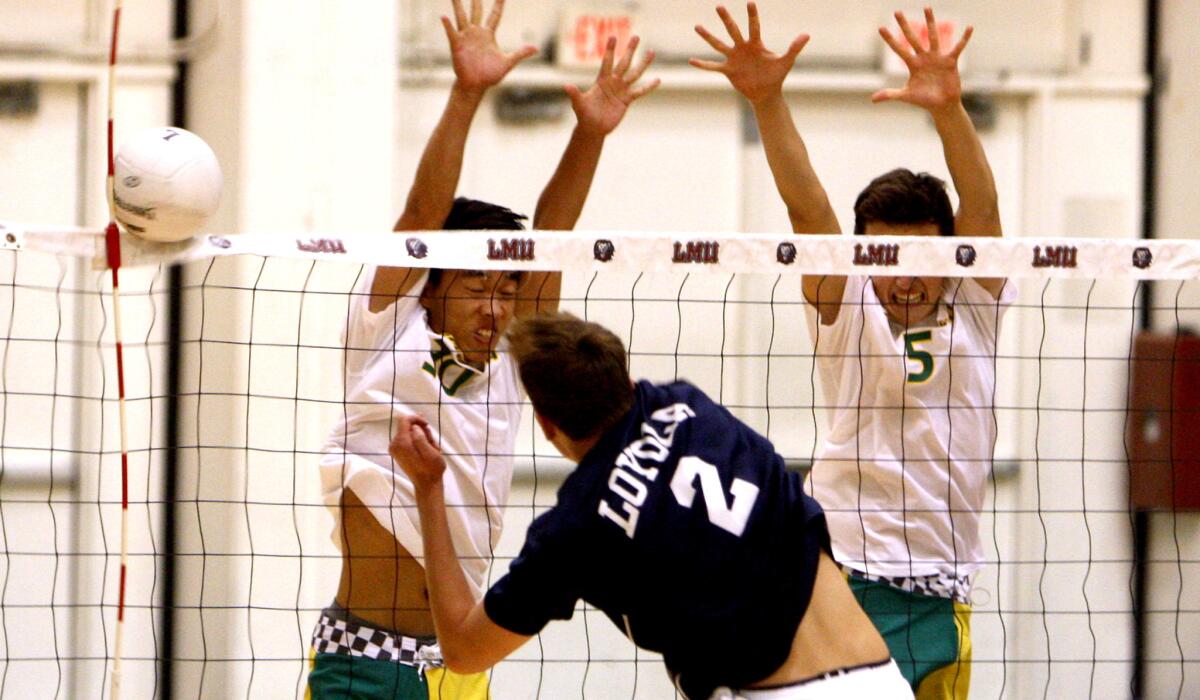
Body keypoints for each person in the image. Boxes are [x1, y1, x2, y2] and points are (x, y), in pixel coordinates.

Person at [308, 0, 660, 696]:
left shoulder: (511, 358)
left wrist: (589, 134)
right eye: (478, 284)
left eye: (508, 288)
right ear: (433, 284)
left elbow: (553, 234)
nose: (497, 304)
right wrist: (467, 94)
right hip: (367, 661)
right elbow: (420, 216)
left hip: (461, 665)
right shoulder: (386, 330)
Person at [691, 4, 1014, 698]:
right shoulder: (847, 309)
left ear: (952, 257)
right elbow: (809, 213)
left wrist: (950, 109)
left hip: (942, 593)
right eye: (884, 257)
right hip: (841, 583)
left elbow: (982, 208)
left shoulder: (976, 309)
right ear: (863, 258)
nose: (903, 277)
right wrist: (768, 101)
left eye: (920, 258)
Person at [389, 311, 914, 700]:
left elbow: (461, 651)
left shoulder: (574, 529)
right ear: (626, 377)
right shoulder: (689, 404)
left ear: (547, 426)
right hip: (885, 679)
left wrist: (429, 487)